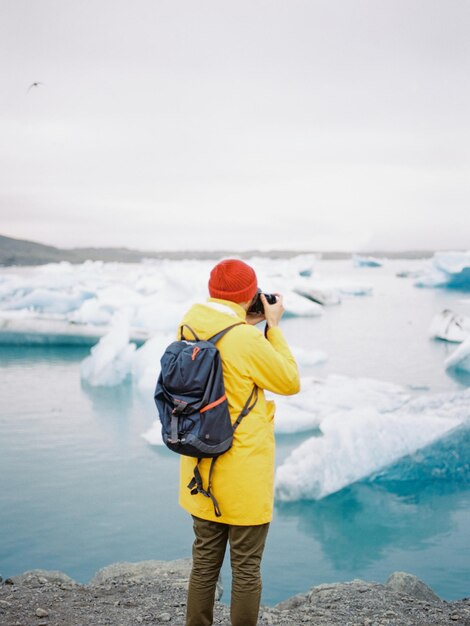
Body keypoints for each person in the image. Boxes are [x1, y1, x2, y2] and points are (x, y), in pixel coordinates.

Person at [178, 258, 300, 626]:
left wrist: (244, 323)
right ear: (250, 294)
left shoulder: (188, 324)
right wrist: (272, 326)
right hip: (242, 472)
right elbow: (288, 381)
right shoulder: (246, 338)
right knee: (245, 569)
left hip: (200, 466)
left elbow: (224, 349)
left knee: (203, 565)